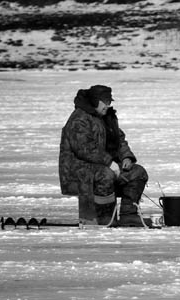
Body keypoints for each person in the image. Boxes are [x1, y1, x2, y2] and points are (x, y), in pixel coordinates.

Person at [59, 85, 149, 227]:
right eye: (105, 102)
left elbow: (119, 139)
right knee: (106, 175)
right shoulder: (79, 119)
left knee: (138, 173)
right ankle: (104, 216)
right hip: (77, 171)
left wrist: (126, 157)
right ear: (95, 101)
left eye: (109, 102)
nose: (108, 105)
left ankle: (128, 214)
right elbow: (84, 149)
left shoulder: (106, 117)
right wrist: (109, 163)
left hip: (101, 166)